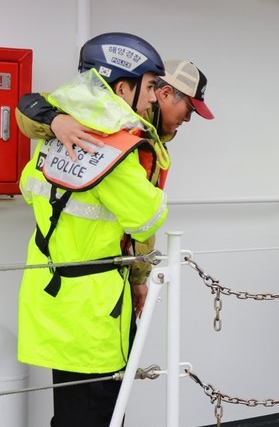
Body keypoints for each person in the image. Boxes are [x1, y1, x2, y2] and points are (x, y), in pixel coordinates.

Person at [2, 33, 170, 427]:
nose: (155, 94)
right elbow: (150, 217)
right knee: (94, 416)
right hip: (93, 306)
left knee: (76, 410)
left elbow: (28, 184)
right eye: (151, 84)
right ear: (122, 89)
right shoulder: (115, 152)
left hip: (48, 292)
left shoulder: (56, 133)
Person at [15, 58, 215, 315]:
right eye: (189, 110)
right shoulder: (107, 118)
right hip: (93, 287)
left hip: (49, 278)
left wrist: (139, 278)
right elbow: (27, 107)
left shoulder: (142, 134)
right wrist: (54, 121)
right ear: (165, 93)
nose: (187, 119)